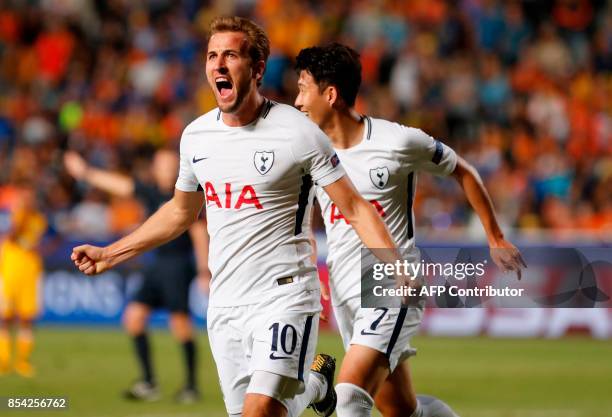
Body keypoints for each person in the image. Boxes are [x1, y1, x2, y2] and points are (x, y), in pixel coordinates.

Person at [71, 16, 408, 417]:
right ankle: (317, 385)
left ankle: (312, 384)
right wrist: (112, 253)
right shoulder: (196, 137)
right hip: (226, 303)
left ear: (257, 68)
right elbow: (181, 211)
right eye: (212, 55)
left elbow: (354, 206)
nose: (218, 64)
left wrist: (396, 267)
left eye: (230, 54)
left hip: (285, 296)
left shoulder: (297, 132)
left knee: (261, 410)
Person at [294, 43, 526, 417]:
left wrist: (495, 238)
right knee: (402, 409)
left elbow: (463, 171)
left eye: (304, 88)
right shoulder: (312, 153)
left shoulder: (397, 142)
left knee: (350, 395)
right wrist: (308, 265)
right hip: (344, 286)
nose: (298, 100)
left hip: (391, 280)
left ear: (331, 94)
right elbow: (303, 213)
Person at [64, 149, 209, 403]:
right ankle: (149, 382)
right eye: (162, 165)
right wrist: (86, 172)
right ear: (154, 169)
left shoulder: (186, 193)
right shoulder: (151, 192)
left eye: (171, 164)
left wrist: (203, 271)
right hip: (156, 264)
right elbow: (120, 186)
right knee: (133, 318)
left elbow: (198, 233)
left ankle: (190, 387)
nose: (167, 169)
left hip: (177, 265)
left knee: (180, 325)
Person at [0, 183, 47, 377]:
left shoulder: (40, 220)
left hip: (30, 271)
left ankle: (22, 361)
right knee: (4, 317)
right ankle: (3, 361)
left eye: (31, 197)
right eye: (24, 198)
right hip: (10, 269)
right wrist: (20, 217)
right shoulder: (14, 216)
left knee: (27, 318)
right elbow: (10, 236)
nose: (28, 201)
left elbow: (37, 244)